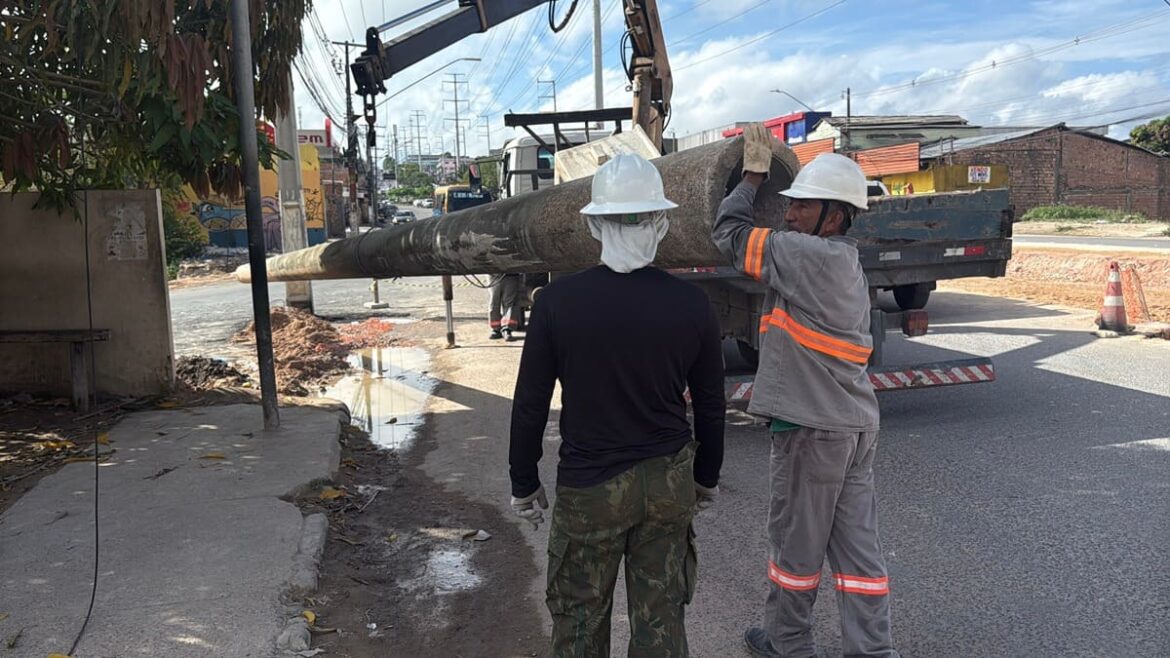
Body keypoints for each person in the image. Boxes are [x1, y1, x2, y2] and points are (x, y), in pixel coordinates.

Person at [509, 152, 726, 657]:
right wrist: (707, 475)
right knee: (661, 618)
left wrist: (524, 480)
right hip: (668, 483)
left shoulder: (557, 304)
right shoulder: (692, 304)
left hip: (591, 489)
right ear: (661, 223)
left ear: (594, 227)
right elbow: (711, 405)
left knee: (580, 619)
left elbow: (530, 403)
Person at [711, 125, 899, 658]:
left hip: (812, 431)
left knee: (794, 549)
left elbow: (727, 235)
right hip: (853, 426)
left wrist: (749, 179)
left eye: (801, 206)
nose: (788, 214)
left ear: (835, 216)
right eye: (788, 205)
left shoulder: (806, 256)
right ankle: (873, 651)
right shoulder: (842, 261)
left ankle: (788, 645)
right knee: (859, 555)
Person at [489, 273, 523, 341]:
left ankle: (507, 329)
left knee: (509, 302)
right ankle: (496, 329)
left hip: (511, 274)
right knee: (495, 301)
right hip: (494, 274)